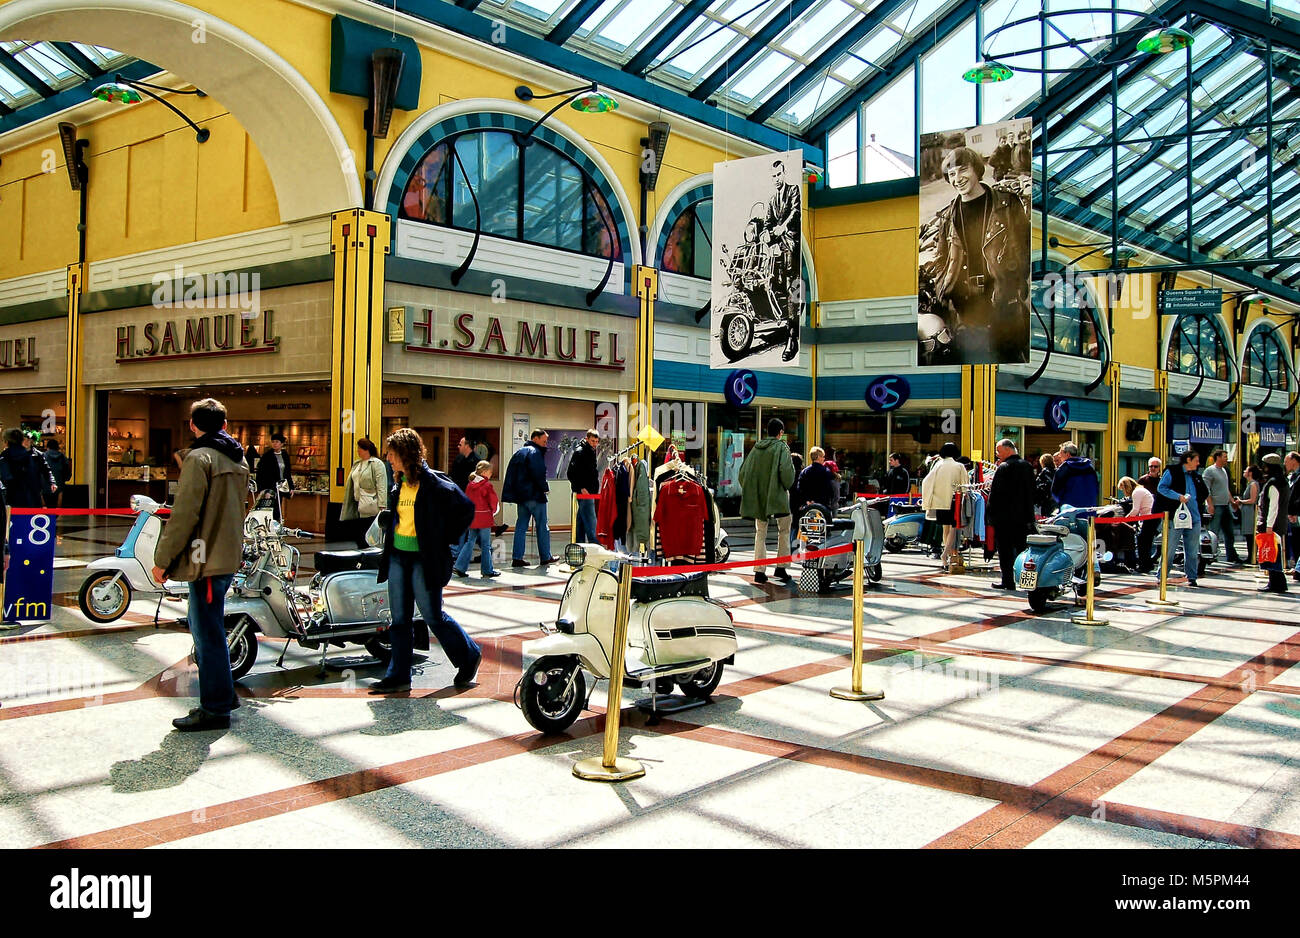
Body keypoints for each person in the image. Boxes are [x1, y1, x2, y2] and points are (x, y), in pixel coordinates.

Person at [151, 398, 249, 730]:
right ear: (224, 423)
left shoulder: (199, 458)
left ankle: (215, 708)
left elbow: (185, 515)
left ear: (194, 425)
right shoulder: (238, 458)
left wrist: (163, 559)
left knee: (206, 632)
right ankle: (224, 694)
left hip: (205, 558)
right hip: (226, 554)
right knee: (209, 627)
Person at [371, 427, 481, 693]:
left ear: (405, 453)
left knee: (433, 616)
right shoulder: (398, 484)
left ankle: (468, 656)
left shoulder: (433, 483)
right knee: (399, 619)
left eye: (391, 453)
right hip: (398, 556)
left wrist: (443, 538)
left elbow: (466, 509)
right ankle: (398, 675)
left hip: (423, 559)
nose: (388, 458)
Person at [928, 146, 1031, 365]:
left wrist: (1014, 285)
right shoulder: (947, 216)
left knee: (1008, 367)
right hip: (965, 308)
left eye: (962, 170)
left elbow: (1024, 248)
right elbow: (941, 259)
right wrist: (943, 289)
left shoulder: (1007, 204)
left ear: (976, 169)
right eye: (952, 174)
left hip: (1003, 302)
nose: (957, 179)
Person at [738, 417, 796, 584]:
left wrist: (752, 490)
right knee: (784, 531)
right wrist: (784, 486)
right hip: (778, 498)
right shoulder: (782, 448)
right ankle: (781, 567)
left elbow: (743, 473)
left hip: (759, 498)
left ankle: (759, 570)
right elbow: (787, 474)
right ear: (781, 433)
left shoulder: (756, 449)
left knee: (760, 533)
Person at [761, 159, 802, 362]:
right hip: (776, 245)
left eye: (779, 175)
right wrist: (767, 234)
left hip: (790, 243)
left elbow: (795, 212)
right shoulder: (771, 200)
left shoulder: (793, 190)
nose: (776, 179)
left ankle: (792, 339)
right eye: (773, 176)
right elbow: (768, 221)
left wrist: (783, 227)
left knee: (791, 286)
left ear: (784, 174)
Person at [502, 429, 556, 568]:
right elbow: (538, 473)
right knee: (542, 526)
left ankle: (517, 557)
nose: (546, 444)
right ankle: (545, 556)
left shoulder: (519, 452)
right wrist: (545, 487)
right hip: (535, 496)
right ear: (535, 438)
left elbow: (511, 474)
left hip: (521, 497)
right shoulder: (535, 452)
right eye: (544, 441)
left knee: (521, 526)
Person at [988, 439, 1036, 590]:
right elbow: (1032, 492)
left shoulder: (1004, 467)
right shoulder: (1027, 467)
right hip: (1024, 518)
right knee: (1025, 551)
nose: (997, 455)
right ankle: (1026, 581)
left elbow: (995, 494)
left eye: (998, 451)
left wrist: (990, 516)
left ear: (1008, 450)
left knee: (1005, 551)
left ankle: (1008, 581)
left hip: (1004, 519)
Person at [1156, 450, 1207, 588]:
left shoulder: (1196, 476)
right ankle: (1162, 576)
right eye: (1196, 460)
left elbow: (1204, 492)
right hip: (1175, 517)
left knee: (1192, 550)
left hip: (1194, 517)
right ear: (1188, 460)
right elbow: (1161, 488)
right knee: (1170, 549)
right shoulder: (1172, 471)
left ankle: (1192, 576)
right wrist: (1178, 497)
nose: (1198, 463)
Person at [921, 441, 969, 571]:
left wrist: (929, 499)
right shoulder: (959, 466)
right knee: (954, 528)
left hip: (940, 502)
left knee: (945, 528)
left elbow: (926, 481)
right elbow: (965, 486)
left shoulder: (938, 464)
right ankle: (945, 554)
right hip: (954, 501)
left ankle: (946, 554)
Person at [340, 438, 388, 549]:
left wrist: (382, 505)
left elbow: (381, 485)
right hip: (357, 503)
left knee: (367, 535)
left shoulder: (376, 463)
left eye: (360, 448)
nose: (358, 451)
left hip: (370, 504)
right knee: (358, 535)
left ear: (367, 449)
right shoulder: (357, 464)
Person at [455, 460, 500, 579]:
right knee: (485, 544)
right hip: (484, 518)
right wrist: (494, 511)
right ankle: (487, 570)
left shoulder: (470, 485)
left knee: (470, 541)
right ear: (485, 472)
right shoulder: (487, 485)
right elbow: (493, 502)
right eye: (490, 472)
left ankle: (459, 566)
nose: (491, 475)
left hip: (472, 517)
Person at [1258, 453, 1291, 594]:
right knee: (1274, 553)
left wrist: (1269, 526)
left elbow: (1273, 506)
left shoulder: (1273, 483)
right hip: (1280, 522)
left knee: (1272, 554)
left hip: (1272, 524)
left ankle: (1275, 582)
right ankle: (1278, 582)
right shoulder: (1283, 481)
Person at [0, 427, 56, 508]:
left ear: (7, 441)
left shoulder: (5, 456)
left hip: (14, 497)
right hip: (32, 495)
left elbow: (5, 477)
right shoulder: (28, 455)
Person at [1203, 449, 1242, 564]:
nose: (1226, 459)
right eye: (1224, 456)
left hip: (1225, 505)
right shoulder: (1209, 471)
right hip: (1216, 505)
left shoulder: (1224, 471)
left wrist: (1232, 502)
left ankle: (1231, 555)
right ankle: (1210, 555)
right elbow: (1206, 490)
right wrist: (1210, 505)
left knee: (1229, 532)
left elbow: (1226, 489)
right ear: (1218, 457)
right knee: (1213, 531)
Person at [567, 430, 600, 545]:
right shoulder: (581, 452)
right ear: (587, 439)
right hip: (585, 492)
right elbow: (571, 472)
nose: (594, 444)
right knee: (591, 521)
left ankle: (578, 546)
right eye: (592, 441)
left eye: (596, 442)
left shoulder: (589, 451)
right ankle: (595, 545)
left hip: (588, 491)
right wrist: (581, 487)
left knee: (581, 521)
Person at [255, 431, 293, 520]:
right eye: (273, 442)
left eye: (277, 442)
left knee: (278, 509)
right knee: (270, 510)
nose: (275, 444)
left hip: (281, 486)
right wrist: (265, 490)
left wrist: (291, 487)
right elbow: (261, 474)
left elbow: (287, 472)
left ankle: (277, 527)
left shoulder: (285, 455)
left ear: (282, 444)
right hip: (270, 487)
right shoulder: (267, 456)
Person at [1051, 442, 1099, 508]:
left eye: (1060, 454)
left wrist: (1062, 504)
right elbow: (1096, 488)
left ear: (1067, 454)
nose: (1059, 456)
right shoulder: (1089, 468)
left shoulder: (1064, 469)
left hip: (1069, 511)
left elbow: (1055, 491)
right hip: (1088, 509)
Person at [1120, 476, 1153, 571]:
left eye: (1123, 489)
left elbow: (1135, 509)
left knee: (1142, 541)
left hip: (1147, 517)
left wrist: (1125, 519)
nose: (1124, 492)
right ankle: (1147, 564)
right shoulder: (1141, 490)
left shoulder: (1136, 492)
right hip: (1148, 517)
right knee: (1146, 542)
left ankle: (1144, 566)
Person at [1238, 466, 1260, 564]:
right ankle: (1250, 555)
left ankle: (1252, 556)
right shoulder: (1249, 484)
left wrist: (1241, 501)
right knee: (1248, 535)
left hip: (1250, 512)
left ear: (1250, 473)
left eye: (1246, 470)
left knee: (1250, 535)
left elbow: (1253, 500)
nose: (1244, 471)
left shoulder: (1253, 484)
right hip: (1246, 511)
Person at [41, 438, 70, 509]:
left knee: (45, 513)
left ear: (47, 447)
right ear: (57, 447)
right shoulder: (63, 457)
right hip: (59, 488)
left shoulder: (42, 456)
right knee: (57, 512)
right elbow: (67, 474)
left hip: (44, 488)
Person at [1286, 451, 1300, 581]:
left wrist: (1295, 512)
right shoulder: (1292, 476)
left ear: (1294, 461)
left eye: (1287, 461)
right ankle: (1296, 565)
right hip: (1293, 514)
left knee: (1298, 539)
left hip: (1297, 514)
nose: (1285, 464)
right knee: (1295, 539)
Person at [1035, 453, 1056, 517]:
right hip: (1055, 497)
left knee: (1046, 516)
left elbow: (1037, 484)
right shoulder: (1056, 471)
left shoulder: (1044, 471)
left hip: (1046, 498)